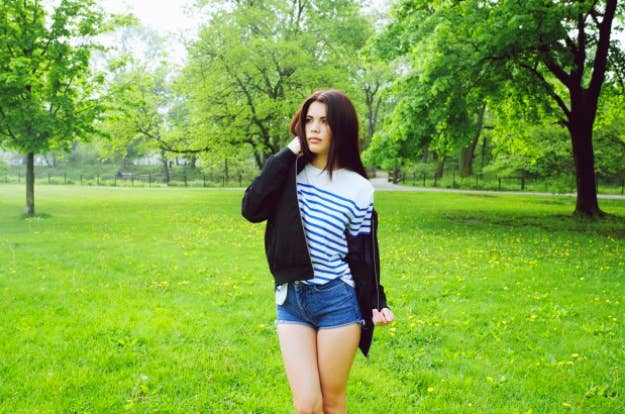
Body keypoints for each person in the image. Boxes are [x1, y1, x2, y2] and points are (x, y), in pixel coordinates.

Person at [242, 89, 394, 414]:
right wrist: (288, 152)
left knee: (332, 401)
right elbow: (251, 209)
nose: (314, 128)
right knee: (307, 404)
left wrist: (377, 301)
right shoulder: (289, 173)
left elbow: (364, 253)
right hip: (292, 301)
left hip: (337, 301)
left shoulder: (358, 188)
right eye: (309, 120)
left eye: (324, 121)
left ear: (342, 128)